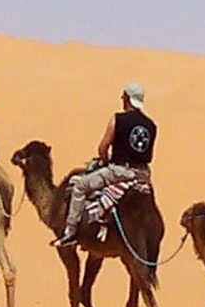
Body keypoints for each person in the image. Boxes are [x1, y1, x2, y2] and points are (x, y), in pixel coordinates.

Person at [53, 82, 157, 248]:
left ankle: (70, 233)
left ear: (127, 99)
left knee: (80, 186)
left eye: (124, 97)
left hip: (120, 170)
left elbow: (103, 148)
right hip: (143, 174)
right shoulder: (151, 125)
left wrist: (106, 160)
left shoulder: (118, 119)